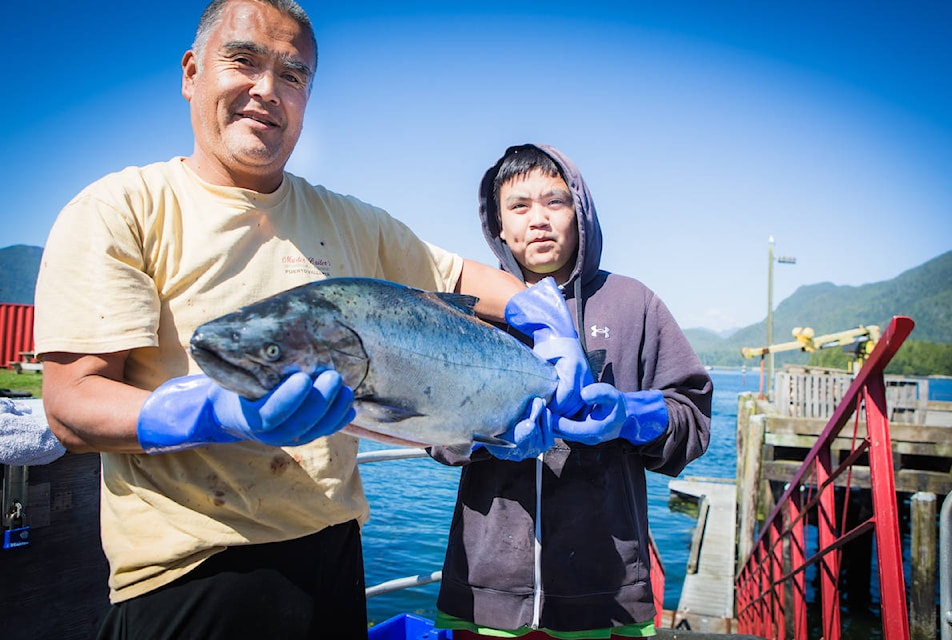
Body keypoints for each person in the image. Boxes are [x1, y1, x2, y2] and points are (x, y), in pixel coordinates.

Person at [32, 3, 591, 638]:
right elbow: (71, 403)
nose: (266, 90)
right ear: (192, 72)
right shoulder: (122, 208)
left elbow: (462, 280)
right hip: (192, 573)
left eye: (292, 75)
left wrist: (544, 318)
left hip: (334, 556)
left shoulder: (351, 221)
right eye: (243, 61)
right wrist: (210, 415)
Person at [430, 144, 713, 638]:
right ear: (498, 225)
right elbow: (430, 426)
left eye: (554, 202)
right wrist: (485, 433)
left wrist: (630, 416)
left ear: (580, 213)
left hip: (607, 592)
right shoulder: (467, 313)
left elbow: (692, 416)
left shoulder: (634, 304)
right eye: (518, 206)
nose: (537, 220)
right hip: (486, 590)